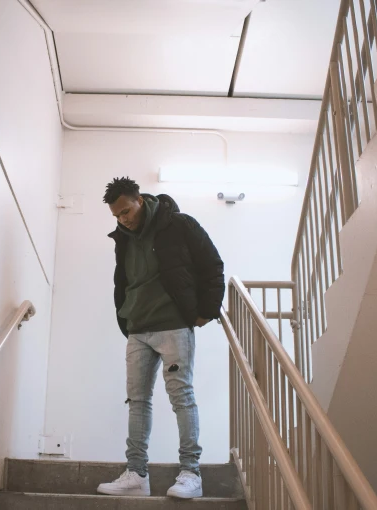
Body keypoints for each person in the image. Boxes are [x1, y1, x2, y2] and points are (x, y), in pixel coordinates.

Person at [96, 177, 225, 499]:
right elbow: (124, 280)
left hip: (173, 324)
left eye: (126, 211)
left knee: (181, 398)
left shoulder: (179, 225)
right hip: (138, 328)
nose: (123, 219)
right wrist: (126, 317)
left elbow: (213, 266)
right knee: (137, 402)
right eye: (117, 216)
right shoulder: (123, 238)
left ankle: (190, 474)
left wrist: (206, 311)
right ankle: (137, 474)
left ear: (140, 199)